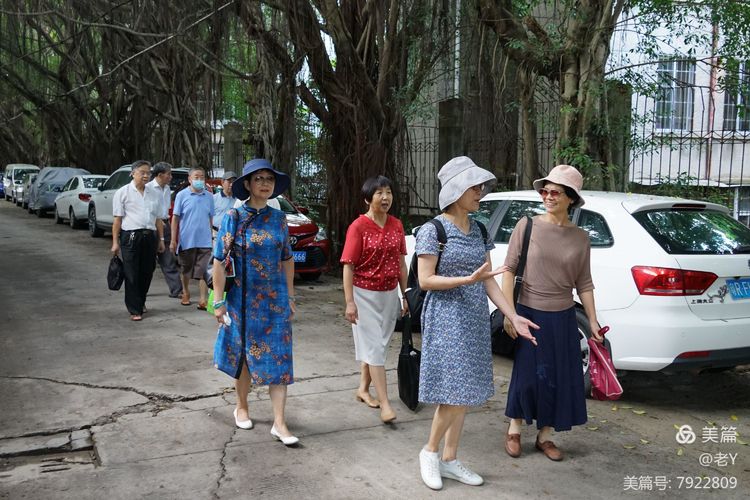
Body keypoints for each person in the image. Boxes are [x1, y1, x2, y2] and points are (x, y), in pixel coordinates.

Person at [415, 156, 539, 491]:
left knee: (466, 390)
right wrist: (465, 280)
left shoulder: (480, 230)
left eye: (481, 187)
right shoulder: (433, 230)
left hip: (473, 319)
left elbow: (488, 281)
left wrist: (512, 315)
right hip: (445, 318)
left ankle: (450, 458)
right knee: (453, 392)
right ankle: (430, 452)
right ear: (456, 190)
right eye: (474, 187)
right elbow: (425, 280)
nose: (480, 193)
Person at [502, 164, 603, 462]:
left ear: (571, 198)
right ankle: (514, 428)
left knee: (556, 377)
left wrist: (593, 321)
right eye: (544, 191)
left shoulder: (581, 238)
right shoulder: (527, 225)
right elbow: (508, 270)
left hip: (562, 317)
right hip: (528, 313)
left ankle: (545, 436)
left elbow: (584, 283)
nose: (547, 196)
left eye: (555, 192)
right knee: (526, 376)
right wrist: (509, 312)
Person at [211, 158, 299, 445]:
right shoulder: (234, 217)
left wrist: (290, 295)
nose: (264, 183)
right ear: (247, 184)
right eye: (258, 178)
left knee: (280, 358)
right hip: (242, 301)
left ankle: (280, 423)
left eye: (269, 179)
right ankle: (242, 406)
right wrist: (218, 302)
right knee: (245, 357)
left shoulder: (279, 219)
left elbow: (287, 259)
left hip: (275, 300)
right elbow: (219, 261)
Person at [340, 175, 407, 424]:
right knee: (376, 348)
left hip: (389, 294)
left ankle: (362, 389)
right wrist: (350, 302)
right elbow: (348, 266)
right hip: (364, 295)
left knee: (378, 346)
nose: (385, 197)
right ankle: (386, 405)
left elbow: (401, 263)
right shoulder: (358, 227)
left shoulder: (397, 225)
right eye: (379, 193)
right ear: (368, 199)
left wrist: (405, 294)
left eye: (388, 192)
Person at [111, 160, 166, 321]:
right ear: (133, 173)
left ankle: (141, 301)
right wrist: (115, 242)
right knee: (131, 273)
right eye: (142, 172)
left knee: (147, 271)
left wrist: (161, 239)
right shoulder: (123, 192)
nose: (146, 175)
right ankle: (134, 309)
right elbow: (117, 220)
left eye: (148, 172)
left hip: (150, 236)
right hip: (130, 237)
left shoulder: (154, 193)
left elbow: (158, 219)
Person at [170, 167, 214, 310]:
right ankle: (185, 291)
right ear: (189, 179)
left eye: (202, 177)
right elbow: (175, 219)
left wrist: (211, 236)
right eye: (196, 177)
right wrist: (173, 239)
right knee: (186, 269)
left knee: (204, 270)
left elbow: (210, 218)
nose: (199, 180)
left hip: (205, 241)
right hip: (187, 240)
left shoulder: (209, 196)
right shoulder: (182, 195)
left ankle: (202, 298)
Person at [148, 161, 183, 298]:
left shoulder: (167, 189)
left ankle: (177, 290)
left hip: (165, 224)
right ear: (160, 175)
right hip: (151, 226)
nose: (171, 177)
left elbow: (166, 209)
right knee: (148, 262)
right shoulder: (148, 188)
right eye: (168, 174)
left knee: (168, 259)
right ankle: (141, 290)